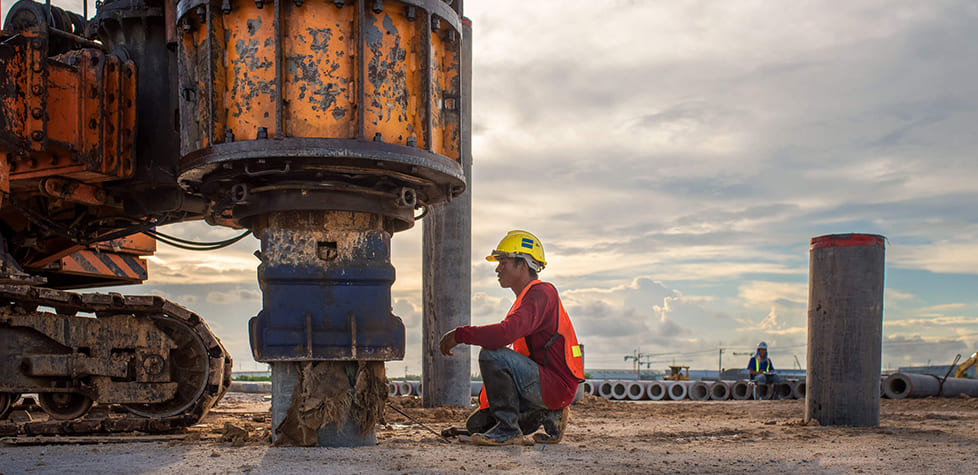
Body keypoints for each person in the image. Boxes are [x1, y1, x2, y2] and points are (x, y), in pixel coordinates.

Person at [439, 230, 585, 446]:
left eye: (503, 262)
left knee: (492, 353)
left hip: (554, 386)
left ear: (523, 265)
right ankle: (548, 415)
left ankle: (509, 429)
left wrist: (461, 334)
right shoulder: (527, 299)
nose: (498, 269)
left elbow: (504, 334)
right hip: (546, 385)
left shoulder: (541, 293)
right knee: (478, 426)